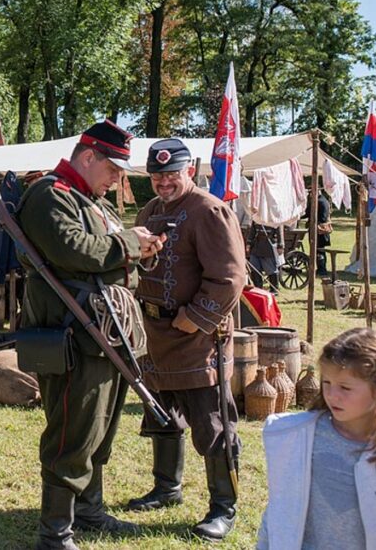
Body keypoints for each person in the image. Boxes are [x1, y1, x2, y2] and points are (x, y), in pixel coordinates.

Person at [16, 120, 165, 550]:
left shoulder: (92, 201)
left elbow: (109, 257)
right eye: (114, 168)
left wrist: (140, 249)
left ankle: (90, 511)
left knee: (100, 430)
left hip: (106, 332)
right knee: (73, 433)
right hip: (73, 333)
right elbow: (77, 251)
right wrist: (131, 244)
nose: (119, 178)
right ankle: (56, 532)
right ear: (88, 157)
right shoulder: (51, 195)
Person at [129, 139, 246, 542]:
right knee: (161, 417)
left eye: (171, 174)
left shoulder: (209, 210)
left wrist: (194, 319)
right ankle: (167, 488)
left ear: (189, 172)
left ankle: (223, 507)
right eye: (158, 176)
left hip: (197, 340)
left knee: (213, 426)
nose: (164, 182)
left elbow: (230, 277)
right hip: (155, 338)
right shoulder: (149, 211)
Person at [257, 327, 376, 549]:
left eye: (345, 387)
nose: (332, 395)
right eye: (327, 383)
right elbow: (280, 510)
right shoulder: (297, 438)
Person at [247, 223, 282, 293]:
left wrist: (280, 245)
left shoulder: (273, 216)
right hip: (256, 246)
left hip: (268, 247)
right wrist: (248, 243)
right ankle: (258, 289)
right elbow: (252, 231)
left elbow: (279, 231)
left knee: (271, 269)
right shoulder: (256, 217)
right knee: (254, 268)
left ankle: (274, 289)